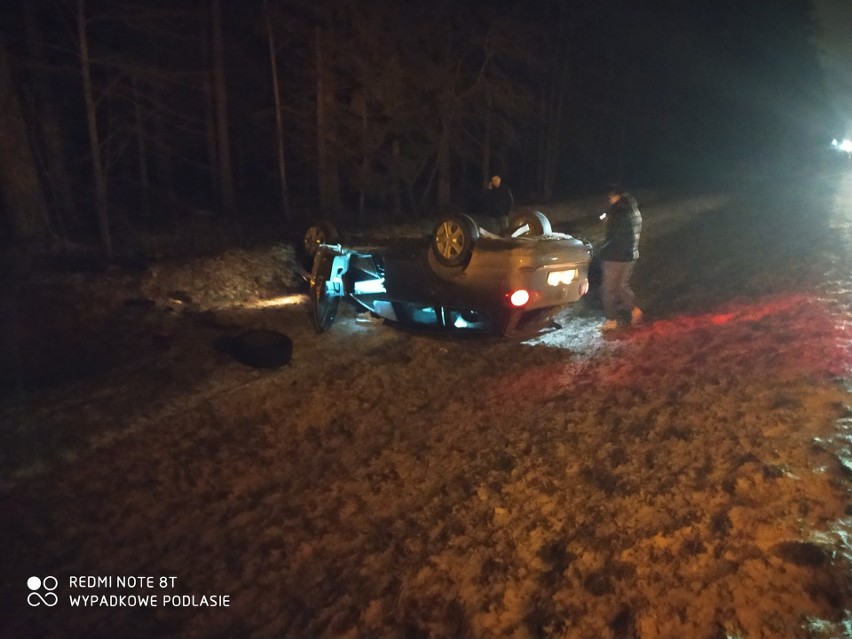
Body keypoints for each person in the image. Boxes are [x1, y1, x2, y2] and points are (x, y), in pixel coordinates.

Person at [598, 188, 642, 332]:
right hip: (630, 255)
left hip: (614, 256)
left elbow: (613, 235)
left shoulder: (617, 212)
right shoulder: (634, 211)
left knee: (608, 289)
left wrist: (603, 250)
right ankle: (635, 311)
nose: (609, 199)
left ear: (615, 196)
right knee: (621, 286)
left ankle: (611, 320)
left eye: (611, 197)